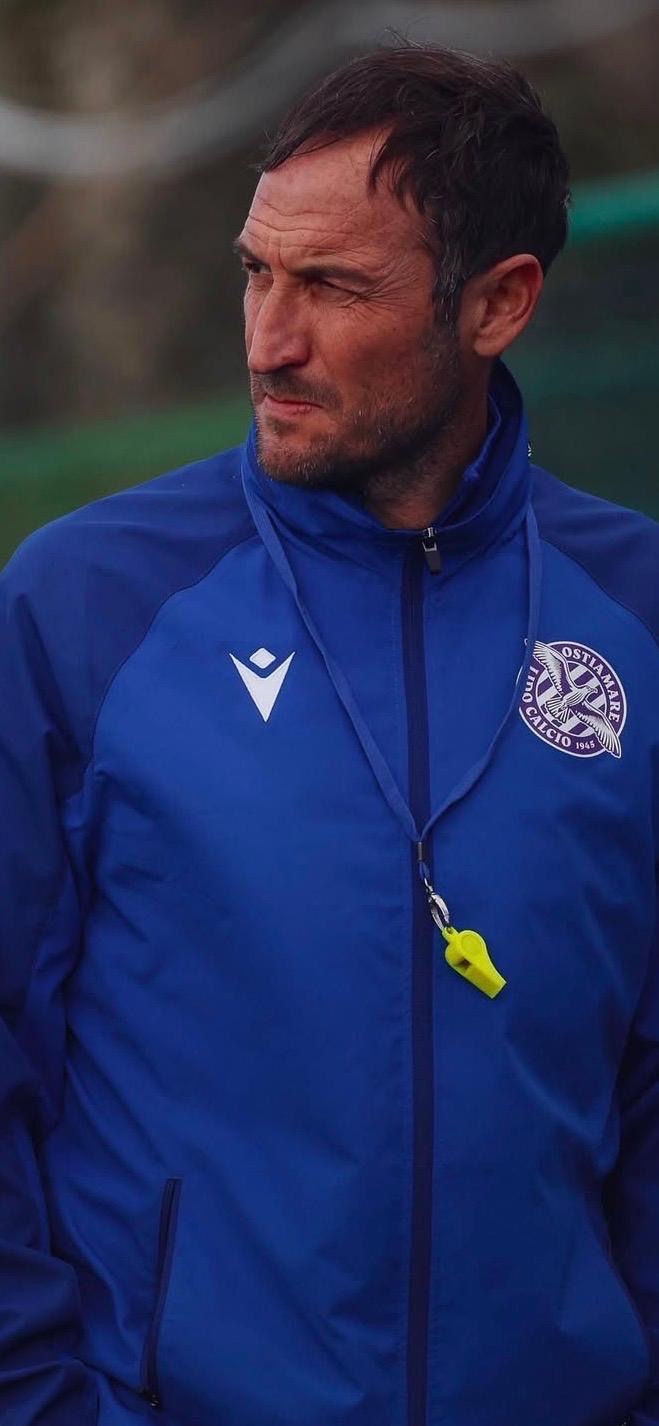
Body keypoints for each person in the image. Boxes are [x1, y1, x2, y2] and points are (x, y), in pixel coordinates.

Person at [0, 39, 657, 1426]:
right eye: (257, 273)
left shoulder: (636, 617)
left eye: (334, 288)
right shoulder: (85, 606)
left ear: (497, 303)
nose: (268, 341)